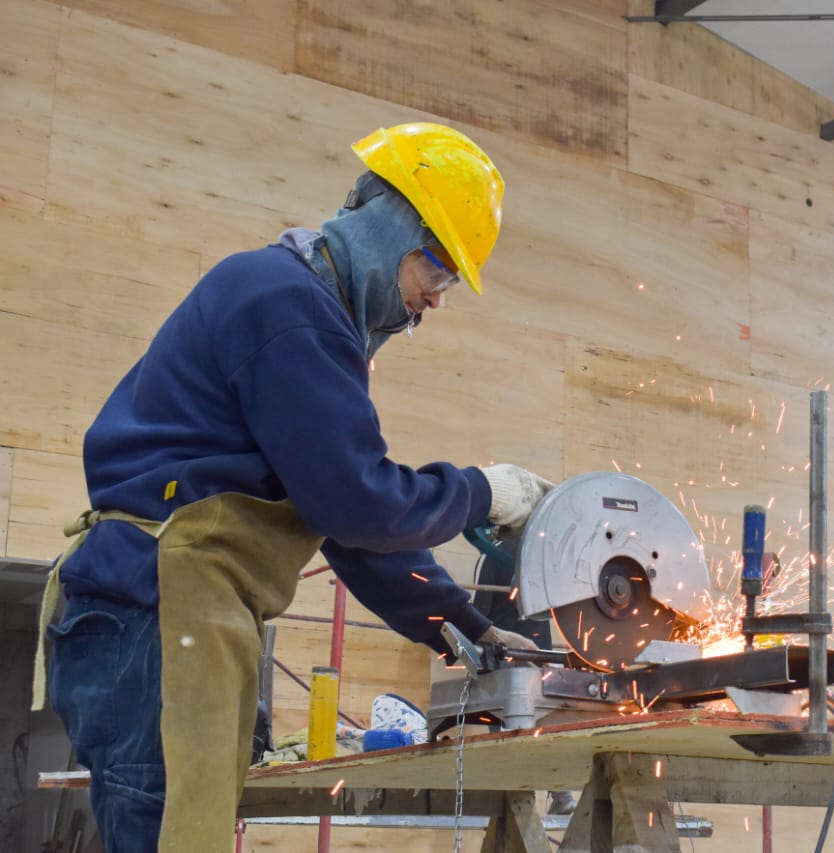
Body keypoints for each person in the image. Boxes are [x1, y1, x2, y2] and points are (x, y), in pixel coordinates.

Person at [30, 122, 553, 853]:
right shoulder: (289, 306)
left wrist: (464, 625)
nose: (436, 301)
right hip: (158, 610)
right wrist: (481, 492)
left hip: (159, 613)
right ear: (392, 228)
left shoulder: (298, 313)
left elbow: (343, 519)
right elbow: (358, 503)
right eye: (437, 274)